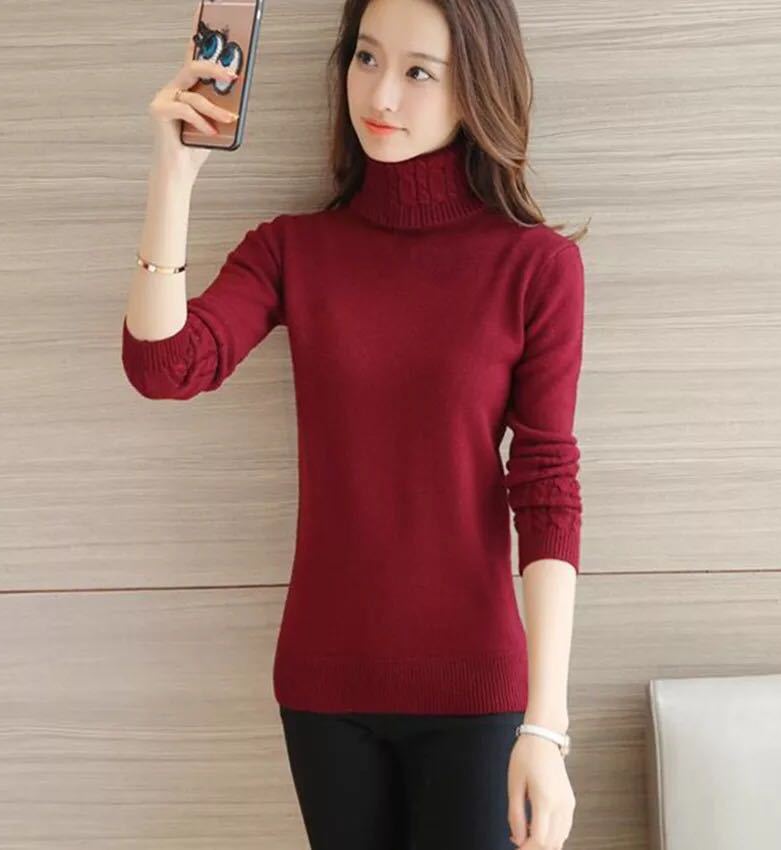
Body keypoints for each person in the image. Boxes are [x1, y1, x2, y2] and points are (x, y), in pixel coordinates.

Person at [122, 0, 587, 847]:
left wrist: (545, 728)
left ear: (477, 86)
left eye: (419, 72)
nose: (382, 94)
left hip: (478, 692)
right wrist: (174, 175)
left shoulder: (536, 266)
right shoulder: (294, 250)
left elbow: (548, 489)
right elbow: (164, 367)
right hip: (324, 688)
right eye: (366, 58)